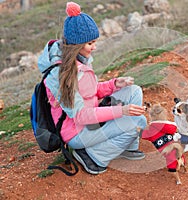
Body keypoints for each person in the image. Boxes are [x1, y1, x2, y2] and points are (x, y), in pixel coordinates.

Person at [37, 2, 147, 174]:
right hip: (77, 132)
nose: (94, 47)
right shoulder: (61, 75)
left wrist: (114, 84)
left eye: (95, 42)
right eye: (90, 43)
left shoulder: (80, 60)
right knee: (139, 122)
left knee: (134, 91)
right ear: (76, 45)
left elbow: (90, 91)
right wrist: (122, 111)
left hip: (91, 120)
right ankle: (95, 155)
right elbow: (80, 115)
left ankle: (126, 146)